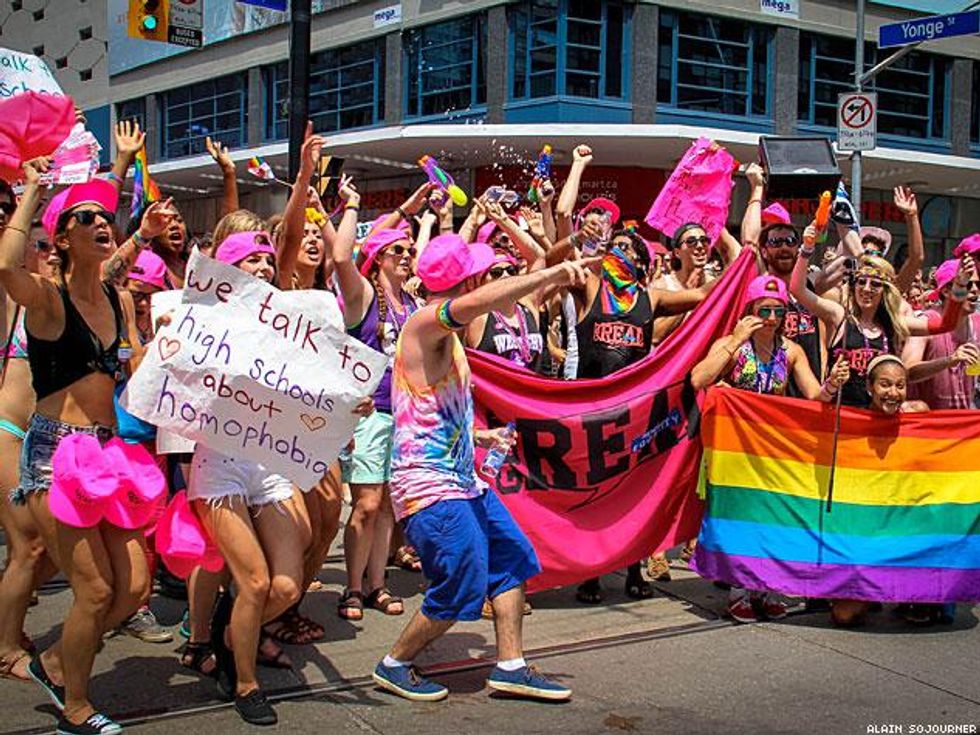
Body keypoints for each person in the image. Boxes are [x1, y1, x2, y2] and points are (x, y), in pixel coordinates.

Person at [372, 234, 594, 703]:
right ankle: (395, 663)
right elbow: (479, 303)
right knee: (461, 584)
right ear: (468, 280)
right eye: (482, 272)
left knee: (511, 559)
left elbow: (427, 409)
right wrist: (552, 273)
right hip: (429, 490)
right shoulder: (424, 323)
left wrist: (479, 436)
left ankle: (511, 666)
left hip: (463, 482)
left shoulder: (445, 338)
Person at [1, 169, 152, 735]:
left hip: (108, 453)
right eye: (85, 217)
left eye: (105, 216)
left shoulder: (117, 296)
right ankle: (76, 709)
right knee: (93, 590)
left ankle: (57, 660)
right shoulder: (44, 299)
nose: (101, 223)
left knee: (133, 587)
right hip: (53, 456)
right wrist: (34, 195)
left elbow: (138, 367)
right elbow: (3, 267)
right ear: (61, 236)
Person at [570, 227, 718, 603]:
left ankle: (633, 569)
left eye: (627, 248)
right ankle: (591, 575)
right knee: (596, 497)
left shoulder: (650, 298)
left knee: (631, 497)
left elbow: (704, 296)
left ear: (640, 262)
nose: (618, 252)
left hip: (635, 415)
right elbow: (557, 262)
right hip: (591, 413)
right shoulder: (590, 288)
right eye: (613, 247)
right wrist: (575, 241)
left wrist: (739, 250)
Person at [691, 275, 849, 622]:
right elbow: (699, 379)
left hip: (772, 449)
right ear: (749, 310)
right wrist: (735, 340)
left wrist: (831, 384)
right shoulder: (732, 343)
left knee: (771, 516)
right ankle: (739, 590)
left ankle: (767, 587)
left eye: (780, 311)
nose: (773, 318)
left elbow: (813, 396)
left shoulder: (791, 350)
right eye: (765, 310)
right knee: (738, 519)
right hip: (732, 448)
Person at [332, 179, 430, 622]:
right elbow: (339, 257)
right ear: (377, 260)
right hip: (368, 415)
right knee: (366, 505)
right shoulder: (364, 297)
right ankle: (351, 588)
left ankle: (377, 585)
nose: (407, 257)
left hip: (405, 416)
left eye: (410, 252)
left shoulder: (412, 300)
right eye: (398, 252)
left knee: (390, 505)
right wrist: (352, 206)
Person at [791, 220, 977, 409]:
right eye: (861, 282)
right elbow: (797, 290)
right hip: (842, 418)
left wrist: (960, 286)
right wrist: (806, 248)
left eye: (876, 284)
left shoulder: (894, 322)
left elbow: (945, 325)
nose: (867, 289)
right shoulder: (839, 316)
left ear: (885, 290)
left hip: (880, 419)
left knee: (919, 408)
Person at [829, 355, 931, 628]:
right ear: (869, 388)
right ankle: (869, 589)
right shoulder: (852, 422)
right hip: (867, 530)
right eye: (885, 385)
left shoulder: (917, 414)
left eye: (900, 385)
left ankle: (919, 596)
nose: (893, 393)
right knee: (845, 616)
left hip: (906, 525)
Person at [903, 259, 980, 409]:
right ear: (945, 290)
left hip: (964, 422)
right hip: (928, 424)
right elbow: (907, 371)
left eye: (979, 284)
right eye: (968, 284)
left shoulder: (977, 324)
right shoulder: (926, 322)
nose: (975, 290)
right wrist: (949, 361)